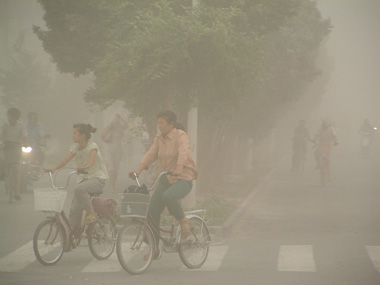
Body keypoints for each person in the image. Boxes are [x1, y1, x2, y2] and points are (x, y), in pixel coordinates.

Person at [129, 110, 197, 256]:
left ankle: (183, 220)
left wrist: (179, 168)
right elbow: (151, 155)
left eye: (162, 123)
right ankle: (154, 247)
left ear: (171, 124)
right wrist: (138, 170)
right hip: (166, 178)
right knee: (152, 210)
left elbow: (183, 152)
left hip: (183, 178)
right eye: (158, 123)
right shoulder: (159, 138)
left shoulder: (180, 135)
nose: (159, 126)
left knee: (169, 196)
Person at [45, 124, 109, 237]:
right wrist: (54, 169)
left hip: (97, 179)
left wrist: (85, 167)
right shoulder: (75, 147)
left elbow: (91, 161)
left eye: (75, 133)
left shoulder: (92, 146)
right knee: (74, 208)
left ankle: (91, 213)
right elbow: (65, 161)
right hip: (85, 180)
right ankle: (75, 233)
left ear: (83, 136)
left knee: (79, 189)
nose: (73, 135)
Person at [0, 108, 28, 201]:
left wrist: (26, 143)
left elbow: (25, 136)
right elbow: (1, 135)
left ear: (15, 118)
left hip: (16, 147)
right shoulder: (4, 125)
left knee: (17, 169)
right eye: (8, 116)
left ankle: (16, 192)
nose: (9, 118)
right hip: (6, 146)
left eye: (10, 116)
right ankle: (3, 174)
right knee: (2, 160)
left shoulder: (21, 126)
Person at [101, 114, 128, 192]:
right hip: (109, 150)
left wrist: (120, 117)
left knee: (115, 169)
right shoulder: (108, 128)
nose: (115, 123)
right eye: (114, 121)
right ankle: (111, 187)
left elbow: (126, 125)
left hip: (118, 150)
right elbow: (102, 136)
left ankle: (113, 184)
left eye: (116, 121)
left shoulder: (120, 129)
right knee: (111, 168)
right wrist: (109, 126)